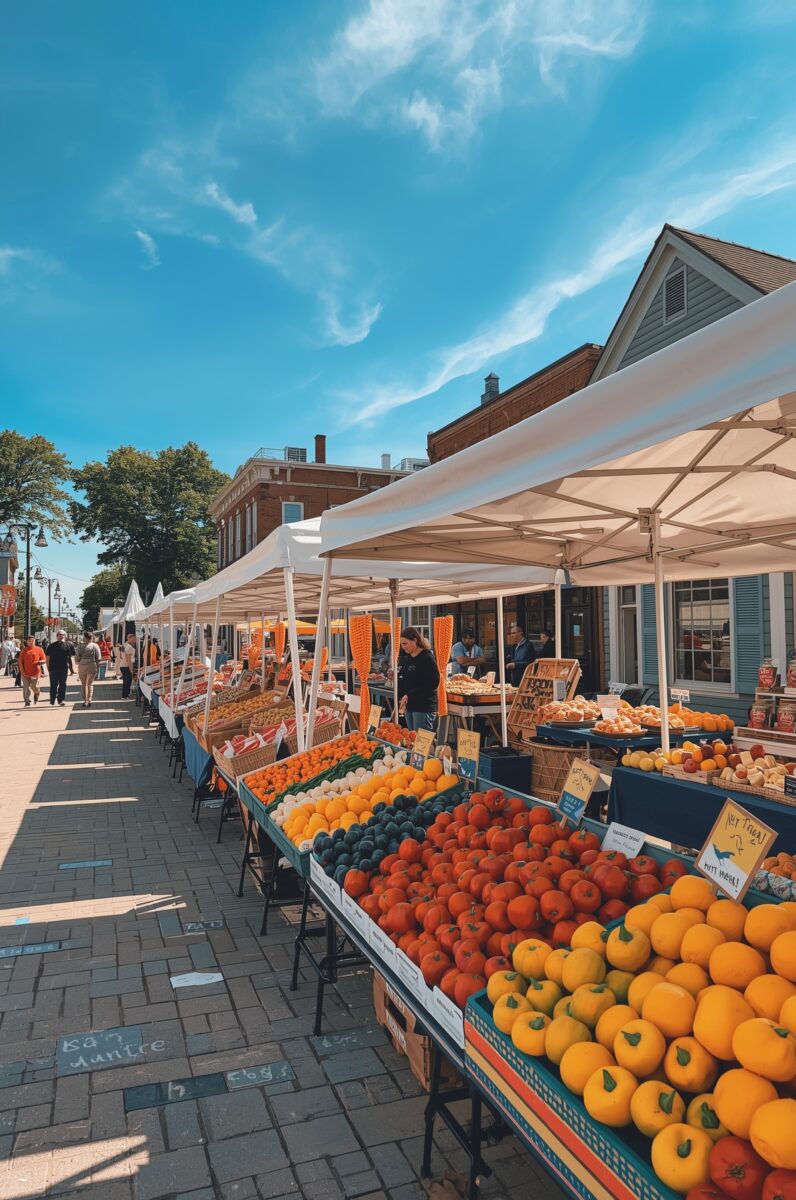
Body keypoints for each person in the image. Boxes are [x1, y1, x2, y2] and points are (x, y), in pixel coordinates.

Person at [397, 627, 440, 733]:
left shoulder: (427, 657)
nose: (403, 647)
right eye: (402, 644)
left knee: (421, 742)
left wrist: (410, 694)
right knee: (412, 739)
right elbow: (404, 678)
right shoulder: (408, 658)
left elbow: (433, 683)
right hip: (409, 706)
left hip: (423, 706)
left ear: (415, 640)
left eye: (405, 643)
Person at [45, 630, 74, 705]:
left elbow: (69, 658)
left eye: (62, 635)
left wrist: (71, 669)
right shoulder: (51, 646)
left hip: (63, 668)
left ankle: (60, 700)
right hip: (53, 668)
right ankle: (52, 699)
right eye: (59, 635)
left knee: (62, 684)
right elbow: (47, 657)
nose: (61, 636)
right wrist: (48, 667)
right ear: (57, 636)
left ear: (65, 636)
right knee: (54, 684)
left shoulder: (67, 645)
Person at [18, 635, 47, 706]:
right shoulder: (24, 650)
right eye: (29, 641)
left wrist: (41, 662)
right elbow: (20, 662)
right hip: (25, 672)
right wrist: (22, 671)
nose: (30, 642)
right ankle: (27, 701)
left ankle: (37, 692)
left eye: (32, 641)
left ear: (34, 642)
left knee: (34, 686)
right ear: (27, 642)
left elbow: (44, 659)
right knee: (26, 687)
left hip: (35, 672)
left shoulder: (39, 649)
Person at [75, 631, 101, 707]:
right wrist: (97, 668)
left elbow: (76, 658)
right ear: (91, 637)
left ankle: (84, 700)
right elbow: (98, 658)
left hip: (82, 665)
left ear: (84, 637)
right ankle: (89, 700)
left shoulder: (80, 646)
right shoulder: (95, 646)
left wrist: (79, 661)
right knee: (89, 684)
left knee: (83, 684)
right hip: (91, 665)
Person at [121, 633, 137, 699]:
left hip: (122, 665)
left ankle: (124, 695)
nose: (135, 640)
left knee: (125, 681)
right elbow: (128, 659)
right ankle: (125, 696)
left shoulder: (124, 645)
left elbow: (120, 655)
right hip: (126, 665)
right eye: (133, 639)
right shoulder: (129, 647)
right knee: (128, 681)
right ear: (129, 638)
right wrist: (131, 669)